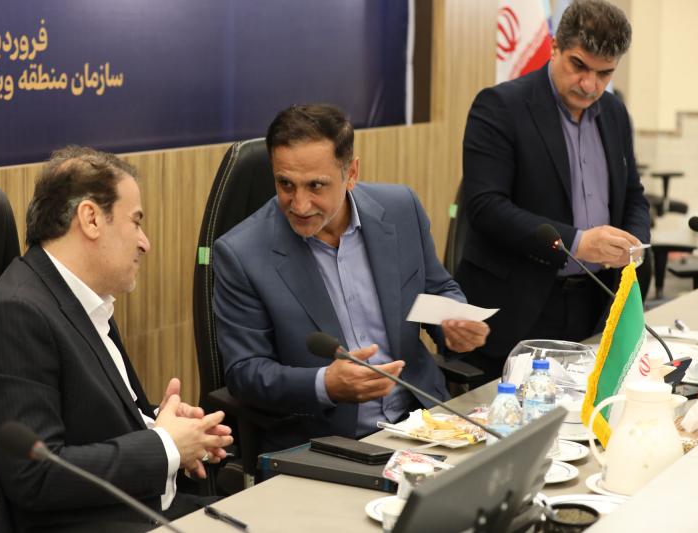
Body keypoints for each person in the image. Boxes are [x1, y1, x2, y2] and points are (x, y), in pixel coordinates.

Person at [0, 146, 234, 532]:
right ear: (91, 219)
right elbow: (36, 474)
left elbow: (89, 422)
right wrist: (165, 446)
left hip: (151, 511)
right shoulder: (13, 314)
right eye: (135, 222)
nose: (145, 242)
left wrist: (163, 425)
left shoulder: (79, 298)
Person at [213, 104, 490, 452]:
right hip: (326, 442)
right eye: (285, 184)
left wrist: (454, 321)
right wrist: (325, 384)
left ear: (351, 173)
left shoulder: (401, 208)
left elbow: (437, 288)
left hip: (424, 422)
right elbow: (245, 372)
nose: (299, 204)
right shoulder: (241, 253)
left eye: (316, 185)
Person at [455, 0, 650, 382]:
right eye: (579, 66)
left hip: (595, 301)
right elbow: (486, 207)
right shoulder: (500, 106)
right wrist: (577, 243)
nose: (590, 84)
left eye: (604, 73)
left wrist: (634, 244)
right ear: (555, 47)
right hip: (518, 306)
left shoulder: (614, 113)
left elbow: (633, 194)